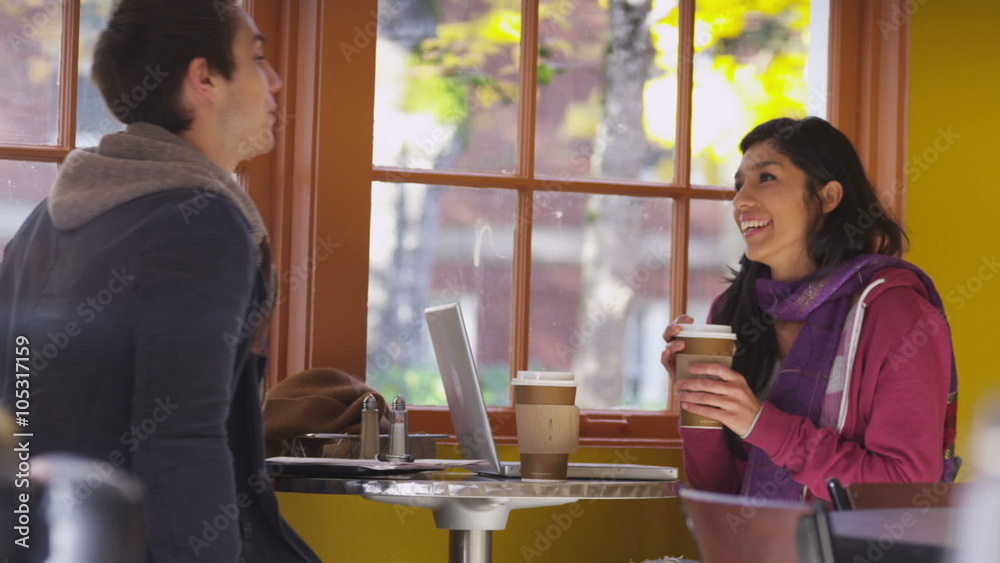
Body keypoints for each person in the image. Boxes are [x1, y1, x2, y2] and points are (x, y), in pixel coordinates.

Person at [0, 0, 319, 560]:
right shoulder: (201, 222)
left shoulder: (43, 222)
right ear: (204, 79)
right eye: (257, 59)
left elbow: (17, 417)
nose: (274, 81)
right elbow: (180, 440)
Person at [661, 117, 958, 503]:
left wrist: (761, 424)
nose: (740, 201)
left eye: (766, 178)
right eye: (739, 185)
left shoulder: (896, 313)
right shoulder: (733, 311)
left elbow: (903, 487)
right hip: (752, 537)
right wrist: (699, 404)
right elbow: (720, 491)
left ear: (827, 197)